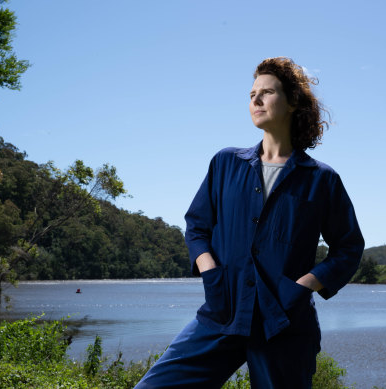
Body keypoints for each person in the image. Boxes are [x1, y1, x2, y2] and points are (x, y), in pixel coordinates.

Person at [134, 57, 364, 389]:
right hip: (223, 314)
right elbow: (197, 226)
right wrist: (211, 271)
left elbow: (348, 247)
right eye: (251, 93)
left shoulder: (321, 179)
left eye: (266, 93)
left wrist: (302, 287)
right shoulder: (226, 163)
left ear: (293, 102)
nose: (255, 100)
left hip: (284, 324)